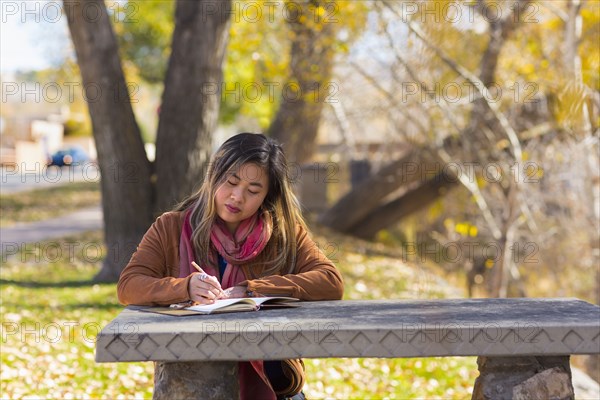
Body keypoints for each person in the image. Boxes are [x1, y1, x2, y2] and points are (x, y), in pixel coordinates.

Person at [117, 133, 344, 399]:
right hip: (191, 377)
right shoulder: (171, 227)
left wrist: (253, 290)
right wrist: (184, 287)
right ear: (214, 176)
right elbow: (129, 285)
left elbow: (330, 281)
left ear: (267, 196)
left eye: (253, 191)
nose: (237, 197)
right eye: (231, 182)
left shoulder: (284, 233)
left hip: (273, 380)